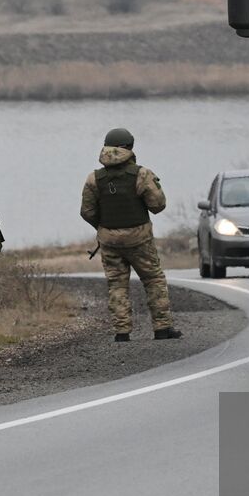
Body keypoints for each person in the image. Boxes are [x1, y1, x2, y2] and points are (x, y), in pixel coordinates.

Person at [80, 128, 182, 342]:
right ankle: (162, 328)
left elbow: (87, 212)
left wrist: (105, 227)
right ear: (129, 147)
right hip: (139, 239)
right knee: (153, 279)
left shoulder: (94, 179)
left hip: (109, 240)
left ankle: (122, 332)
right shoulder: (142, 174)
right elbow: (158, 205)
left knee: (116, 284)